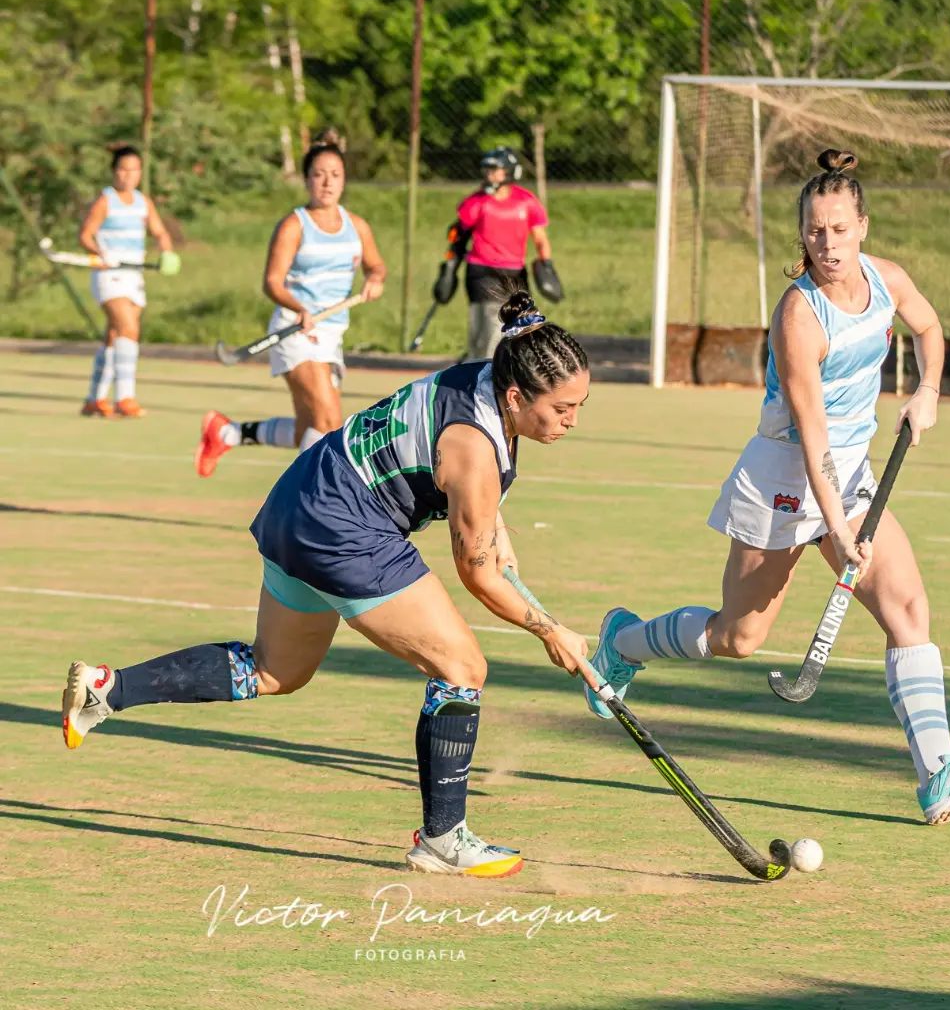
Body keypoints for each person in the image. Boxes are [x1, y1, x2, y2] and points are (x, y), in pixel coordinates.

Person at [63, 291, 596, 877]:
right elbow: (478, 571)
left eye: (579, 405)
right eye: (563, 408)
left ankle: (108, 689)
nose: (572, 420)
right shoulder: (474, 447)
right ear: (518, 396)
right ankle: (443, 838)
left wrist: (492, 524)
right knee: (463, 668)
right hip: (347, 530)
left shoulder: (483, 378)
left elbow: (476, 507)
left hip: (300, 499)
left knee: (274, 671)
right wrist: (550, 630)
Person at [584, 149, 950, 827]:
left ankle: (938, 773)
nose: (828, 243)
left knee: (907, 606)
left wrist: (926, 392)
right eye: (815, 231)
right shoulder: (799, 316)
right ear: (802, 235)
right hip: (786, 477)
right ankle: (623, 642)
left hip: (853, 472)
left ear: (862, 226)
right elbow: (812, 435)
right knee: (738, 637)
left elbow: (929, 329)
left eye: (839, 228)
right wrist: (838, 529)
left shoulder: (888, 278)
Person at [195, 131, 387, 477]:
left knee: (308, 428)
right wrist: (299, 308)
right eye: (319, 174)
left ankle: (226, 433)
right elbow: (272, 282)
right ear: (306, 180)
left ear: (344, 180)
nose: (327, 183)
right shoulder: (294, 225)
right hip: (294, 330)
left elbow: (377, 266)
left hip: (331, 335)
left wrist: (375, 280)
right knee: (328, 421)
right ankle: (308, 501)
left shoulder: (356, 225)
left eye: (335, 175)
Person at [79, 145, 176, 418]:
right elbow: (86, 235)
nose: (128, 175)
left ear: (140, 172)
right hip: (109, 275)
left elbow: (159, 231)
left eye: (133, 169)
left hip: (134, 276)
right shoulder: (105, 201)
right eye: (122, 169)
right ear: (114, 171)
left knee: (114, 336)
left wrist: (167, 252)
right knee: (128, 329)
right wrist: (101, 253)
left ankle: (94, 399)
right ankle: (125, 398)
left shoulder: (144, 202)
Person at [450, 147, 554, 362]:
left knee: (517, 324)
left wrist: (547, 265)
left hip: (515, 272)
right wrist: (449, 265)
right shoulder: (477, 201)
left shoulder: (526, 201)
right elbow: (458, 234)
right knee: (490, 322)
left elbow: (540, 238)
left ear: (509, 172)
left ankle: (482, 363)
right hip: (482, 270)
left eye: (494, 169)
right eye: (487, 169)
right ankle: (483, 368)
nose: (489, 173)